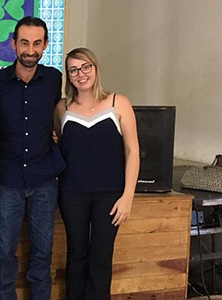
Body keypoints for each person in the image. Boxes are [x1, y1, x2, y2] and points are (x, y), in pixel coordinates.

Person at [0, 16, 65, 300]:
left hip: (44, 179)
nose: (30, 50)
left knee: (43, 252)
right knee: (4, 252)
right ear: (14, 44)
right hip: (7, 180)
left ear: (46, 45)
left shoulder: (54, 78)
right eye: (25, 43)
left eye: (37, 43)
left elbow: (61, 115)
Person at [53, 47, 140, 300]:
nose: (80, 74)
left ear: (96, 68)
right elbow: (60, 145)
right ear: (68, 76)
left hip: (110, 195)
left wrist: (128, 196)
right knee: (76, 255)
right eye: (73, 70)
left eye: (85, 67)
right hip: (71, 193)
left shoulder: (118, 103)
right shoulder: (62, 107)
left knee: (101, 257)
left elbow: (133, 152)